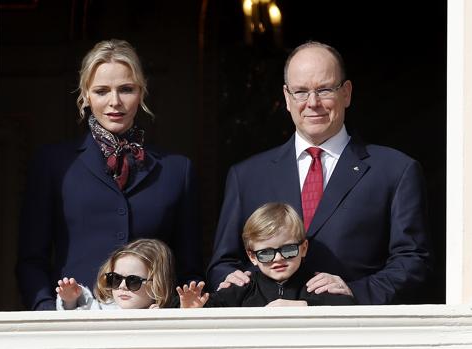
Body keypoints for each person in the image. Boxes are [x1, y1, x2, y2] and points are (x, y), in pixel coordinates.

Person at [207, 41, 432, 305]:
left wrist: (352, 292)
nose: (312, 103)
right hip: (266, 337)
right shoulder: (246, 176)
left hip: (355, 335)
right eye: (300, 92)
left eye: (324, 89)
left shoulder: (396, 170)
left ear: (346, 93)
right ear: (287, 98)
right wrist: (241, 285)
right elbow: (222, 264)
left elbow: (413, 262)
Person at [17, 39, 203, 310]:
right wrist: (50, 316)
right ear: (86, 96)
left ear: (141, 92)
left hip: (154, 329)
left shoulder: (177, 170)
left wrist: (173, 314)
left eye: (126, 89)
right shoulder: (53, 164)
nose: (115, 102)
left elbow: (190, 268)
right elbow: (31, 260)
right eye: (102, 91)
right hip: (74, 326)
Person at [178, 203, 355, 308]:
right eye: (266, 253)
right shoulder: (243, 287)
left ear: (303, 248)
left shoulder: (316, 285)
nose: (278, 258)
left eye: (288, 250)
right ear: (252, 256)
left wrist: (304, 306)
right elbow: (213, 305)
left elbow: (349, 307)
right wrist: (194, 307)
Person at [56, 239, 175, 310]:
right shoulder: (101, 309)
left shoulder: (161, 315)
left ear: (157, 284)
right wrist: (70, 300)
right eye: (116, 279)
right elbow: (75, 322)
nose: (122, 286)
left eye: (133, 281)